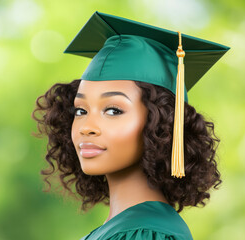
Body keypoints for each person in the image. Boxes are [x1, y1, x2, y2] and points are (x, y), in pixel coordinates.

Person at [32, 11, 230, 240]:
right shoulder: (118, 229)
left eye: (113, 110)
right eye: (81, 110)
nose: (87, 126)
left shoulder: (149, 233)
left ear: (161, 126)